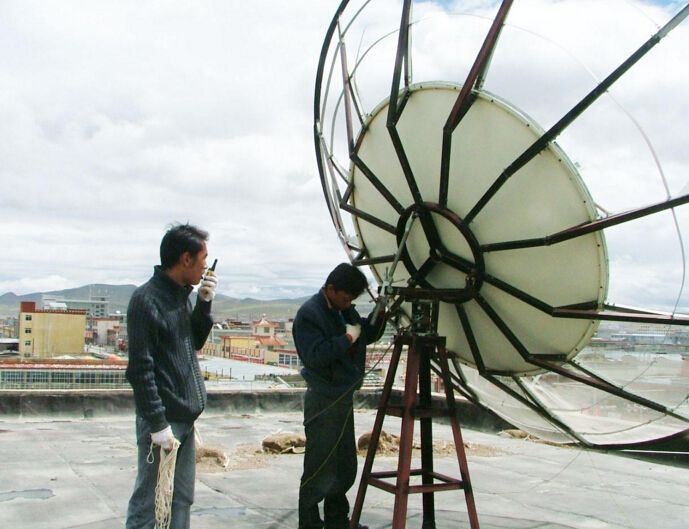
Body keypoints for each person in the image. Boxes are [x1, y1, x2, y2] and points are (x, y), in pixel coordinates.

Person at [125, 223, 219, 529]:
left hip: (185, 420)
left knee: (180, 499)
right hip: (164, 421)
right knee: (149, 504)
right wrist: (157, 423)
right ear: (185, 259)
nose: (206, 266)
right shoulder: (146, 300)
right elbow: (141, 369)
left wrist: (203, 305)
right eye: (203, 259)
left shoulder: (182, 297)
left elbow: (192, 342)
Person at [292, 263, 386, 529]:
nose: (348, 304)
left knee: (343, 465)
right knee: (319, 466)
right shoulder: (310, 314)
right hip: (323, 398)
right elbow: (315, 356)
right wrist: (346, 338)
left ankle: (337, 521)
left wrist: (381, 311)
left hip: (342, 397)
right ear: (330, 289)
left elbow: (366, 334)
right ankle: (309, 524)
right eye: (345, 299)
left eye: (351, 301)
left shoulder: (344, 309)